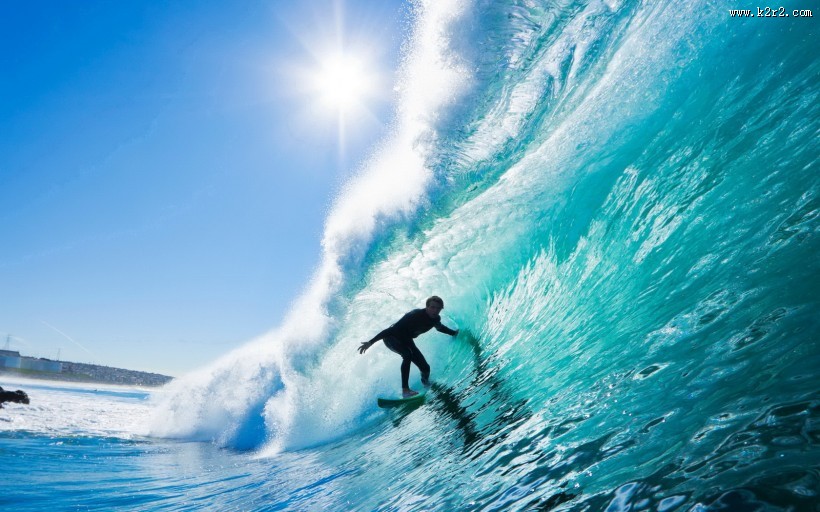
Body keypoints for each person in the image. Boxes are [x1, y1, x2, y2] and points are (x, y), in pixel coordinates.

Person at [358, 296, 459, 398]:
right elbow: (390, 330)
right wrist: (371, 342)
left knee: (425, 368)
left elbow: (440, 328)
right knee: (407, 354)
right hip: (391, 338)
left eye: (438, 308)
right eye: (432, 307)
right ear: (427, 307)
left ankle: (425, 383)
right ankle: (405, 390)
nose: (435, 310)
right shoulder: (415, 315)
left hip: (406, 340)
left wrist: (453, 333)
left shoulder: (436, 319)